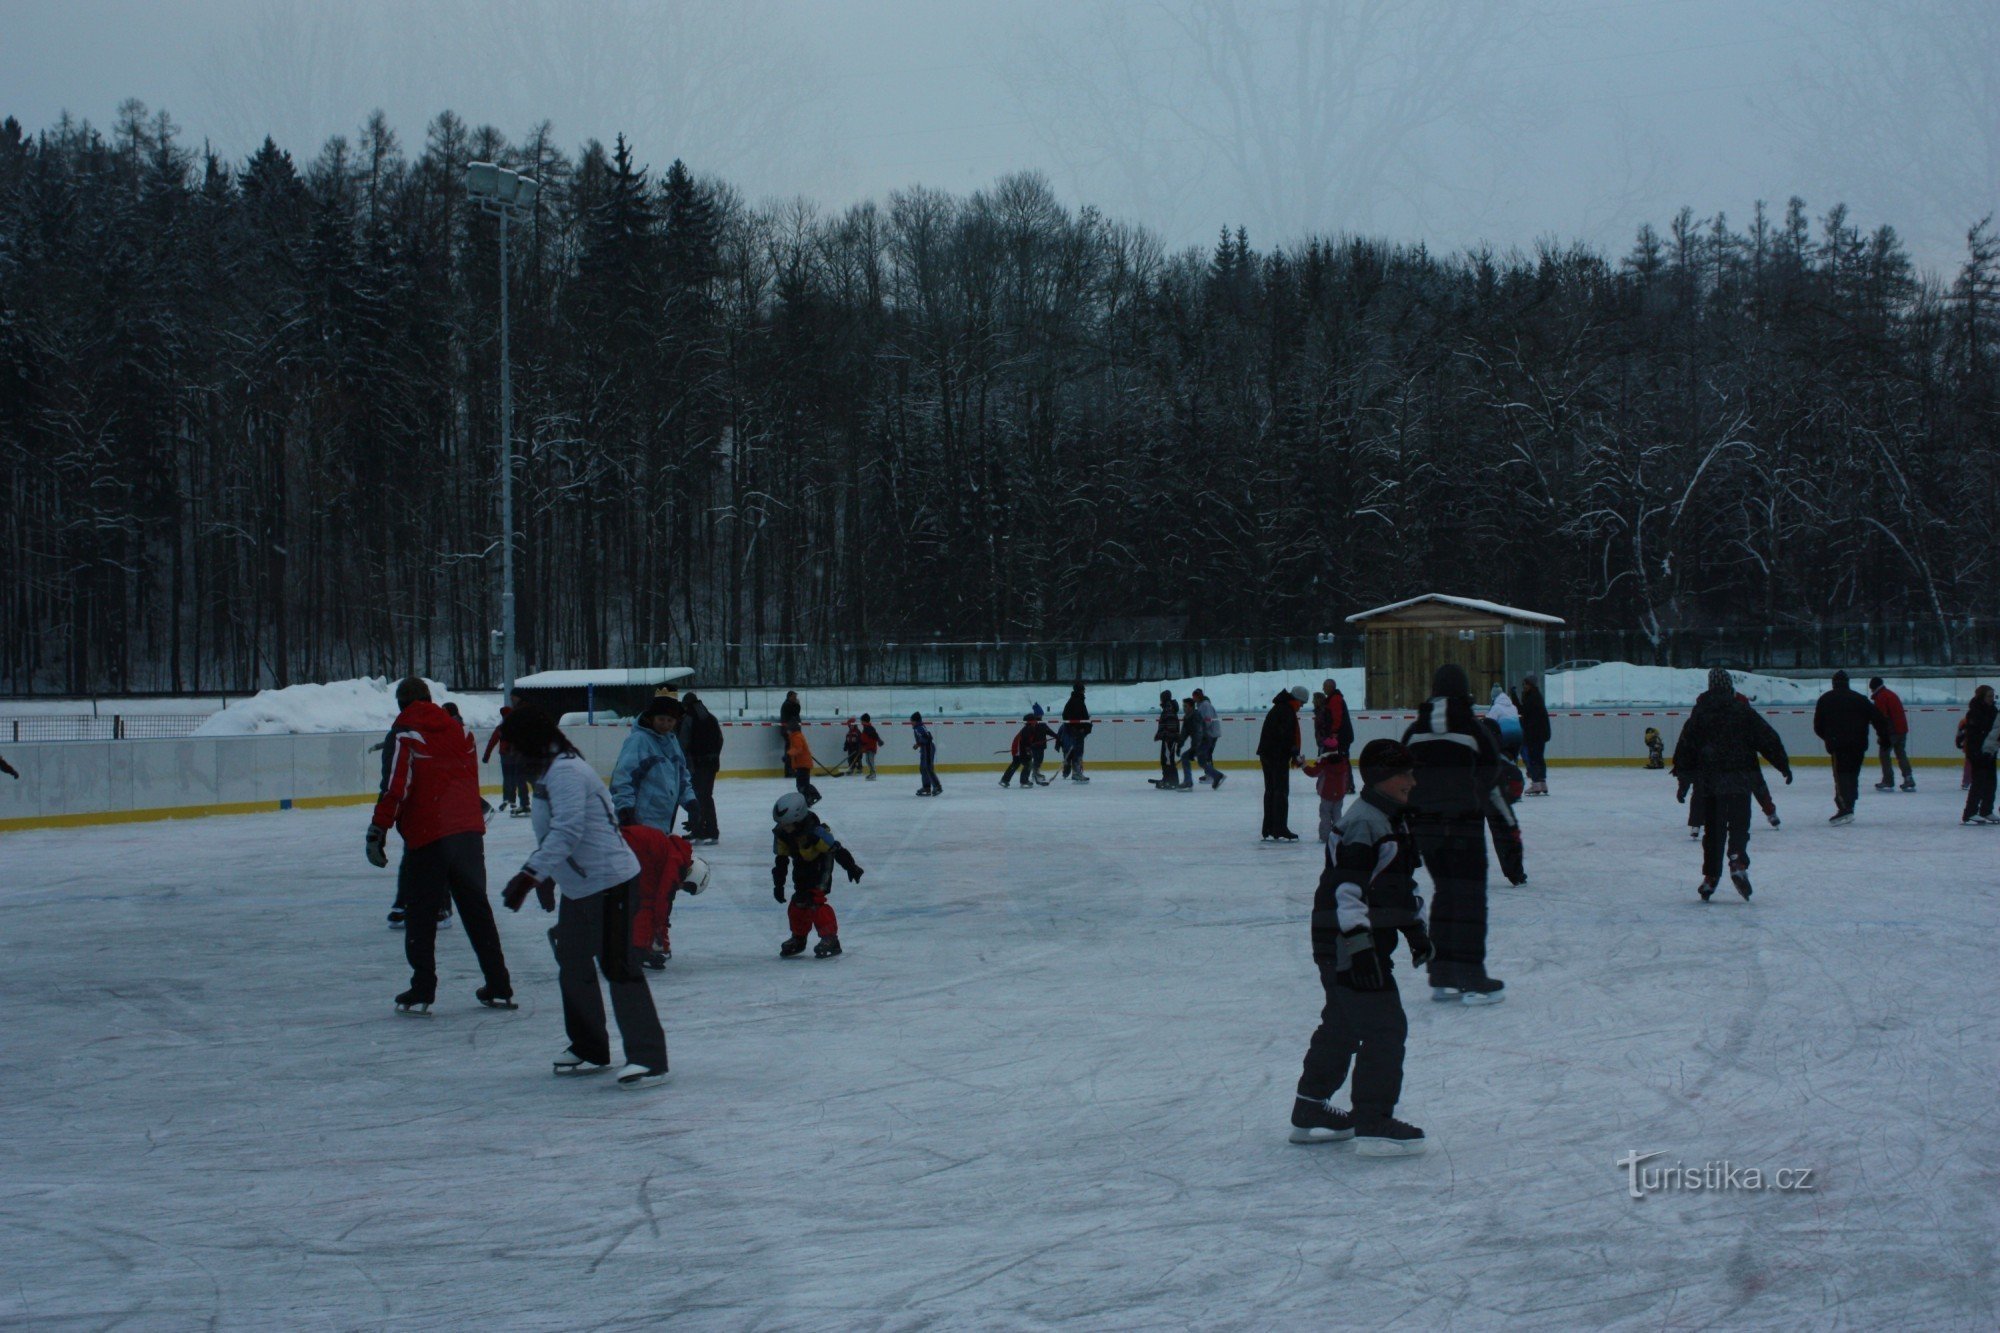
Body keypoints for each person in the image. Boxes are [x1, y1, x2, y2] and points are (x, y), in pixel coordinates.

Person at [495, 708, 667, 1088]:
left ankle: (649, 1058)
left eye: (514, 748)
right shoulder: (549, 770)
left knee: (619, 968)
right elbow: (556, 833)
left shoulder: (567, 772)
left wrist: (529, 875)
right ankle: (590, 1046)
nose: (513, 757)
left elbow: (568, 830)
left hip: (611, 883)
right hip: (582, 887)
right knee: (573, 964)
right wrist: (548, 877)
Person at [1288, 738, 1431, 1157]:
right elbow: (1347, 891)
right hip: (1345, 941)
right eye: (1404, 773)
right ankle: (1373, 1117)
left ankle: (1309, 1108)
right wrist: (1360, 947)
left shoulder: (1393, 819)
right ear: (1384, 778)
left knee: (1343, 1026)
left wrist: (1415, 931)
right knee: (1386, 1026)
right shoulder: (1364, 823)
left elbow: (1398, 886)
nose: (1412, 780)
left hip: (1353, 941)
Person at [365, 677, 513, 1015]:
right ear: (429, 699)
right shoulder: (461, 732)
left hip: (430, 836)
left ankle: (423, 987)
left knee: (420, 914)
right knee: (477, 911)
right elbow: (464, 781)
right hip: (468, 834)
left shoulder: (405, 733)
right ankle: (499, 983)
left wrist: (378, 829)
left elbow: (396, 787)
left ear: (401, 703)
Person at [1401, 664, 1503, 1004]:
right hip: (1464, 826)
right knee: (1470, 900)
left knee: (1445, 894)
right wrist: (1468, 795)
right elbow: (1492, 770)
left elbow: (1399, 775)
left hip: (1426, 829)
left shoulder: (1415, 730)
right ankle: (1472, 979)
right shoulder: (1472, 727)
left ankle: (1441, 975)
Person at [1674, 668, 1792, 900]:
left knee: (1713, 832)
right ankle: (1737, 860)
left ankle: (1710, 877)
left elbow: (1685, 747)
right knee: (1739, 825)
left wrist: (1683, 781)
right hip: (1739, 779)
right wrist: (1782, 764)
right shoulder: (1741, 710)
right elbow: (1767, 737)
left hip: (1710, 783)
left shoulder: (1700, 713)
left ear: (1710, 686)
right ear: (1729, 686)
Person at [771, 790, 865, 958]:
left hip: (821, 867)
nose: (783, 827)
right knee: (798, 902)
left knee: (815, 901)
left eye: (786, 824)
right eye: (781, 824)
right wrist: (778, 885)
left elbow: (836, 850)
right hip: (801, 867)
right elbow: (781, 861)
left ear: (798, 818)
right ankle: (799, 938)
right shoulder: (783, 834)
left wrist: (852, 867)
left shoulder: (815, 833)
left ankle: (830, 939)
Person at [610, 693, 698, 838]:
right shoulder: (639, 740)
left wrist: (691, 802)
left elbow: (681, 776)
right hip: (639, 819)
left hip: (663, 820)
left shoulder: (672, 741)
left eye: (670, 720)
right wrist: (625, 809)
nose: (665, 724)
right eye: (661, 719)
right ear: (652, 718)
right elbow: (623, 778)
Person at [624, 821, 709, 968]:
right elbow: (661, 903)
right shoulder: (674, 861)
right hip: (625, 846)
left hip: (624, 843)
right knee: (646, 903)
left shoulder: (673, 853)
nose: (682, 888)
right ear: (690, 874)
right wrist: (647, 948)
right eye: (688, 887)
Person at [1812, 671, 1886, 824]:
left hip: (1838, 745)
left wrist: (1829, 738)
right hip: (1858, 744)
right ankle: (1849, 804)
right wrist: (1884, 737)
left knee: (1841, 776)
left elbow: (1818, 726)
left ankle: (1845, 807)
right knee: (1852, 775)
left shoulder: (1825, 699)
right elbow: (1878, 718)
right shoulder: (1859, 699)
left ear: (1834, 683)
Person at [1257, 686, 1308, 840]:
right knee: (1280, 791)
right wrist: (1294, 753)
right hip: (1276, 755)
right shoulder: (1286, 711)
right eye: (1302, 703)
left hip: (1268, 753)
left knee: (1271, 790)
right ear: (1296, 699)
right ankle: (1279, 828)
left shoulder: (1280, 707)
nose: (1302, 707)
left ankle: (1269, 827)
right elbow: (1285, 735)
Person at [679, 691, 723, 844]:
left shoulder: (688, 718)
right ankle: (710, 830)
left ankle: (700, 831)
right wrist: (714, 756)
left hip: (696, 765)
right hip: (711, 764)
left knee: (697, 797)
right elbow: (720, 740)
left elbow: (683, 743)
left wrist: (682, 761)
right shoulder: (711, 717)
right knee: (706, 797)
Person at [482, 690, 532, 816]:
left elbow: (492, 742)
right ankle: (514, 800)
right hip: (512, 755)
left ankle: (513, 800)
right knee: (514, 778)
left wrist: (486, 756)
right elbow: (493, 741)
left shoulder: (505, 726)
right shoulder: (507, 726)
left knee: (512, 778)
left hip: (511, 755)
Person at [1959, 685, 1997, 824]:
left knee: (1991, 782)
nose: (1992, 698)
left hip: (1990, 750)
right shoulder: (1974, 712)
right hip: (1977, 751)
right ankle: (1970, 812)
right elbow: (1973, 735)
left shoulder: (1993, 710)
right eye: (1989, 696)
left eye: (1993, 696)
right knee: (1979, 782)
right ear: (1981, 697)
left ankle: (1986, 810)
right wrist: (1977, 752)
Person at [1869, 677, 1915, 792]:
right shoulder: (1890, 694)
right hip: (1901, 729)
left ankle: (1888, 780)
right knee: (1901, 754)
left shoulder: (1881, 697)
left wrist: (1882, 734)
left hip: (1891, 731)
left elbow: (1881, 717)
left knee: (1884, 755)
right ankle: (1908, 778)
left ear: (1873, 687)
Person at [1518, 674, 1551, 795]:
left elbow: (1524, 712)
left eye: (1525, 684)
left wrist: (1516, 699)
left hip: (1534, 734)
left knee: (1533, 758)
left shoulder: (1532, 698)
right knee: (1539, 758)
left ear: (1530, 685)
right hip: (1540, 733)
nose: (1524, 687)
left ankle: (1536, 783)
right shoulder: (1537, 696)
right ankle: (1542, 783)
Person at [1192, 688, 1225, 789]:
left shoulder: (1205, 705)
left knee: (1206, 753)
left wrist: (1201, 731)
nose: (1193, 698)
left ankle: (1211, 775)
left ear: (1199, 696)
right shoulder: (1201, 705)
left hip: (1211, 734)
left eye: (1195, 696)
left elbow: (1207, 720)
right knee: (1206, 753)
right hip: (1209, 733)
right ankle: (1210, 774)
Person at [783, 723, 822, 805]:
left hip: (803, 764)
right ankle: (811, 797)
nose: (787, 731)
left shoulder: (796, 737)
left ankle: (812, 797)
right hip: (802, 764)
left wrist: (789, 754)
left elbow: (798, 749)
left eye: (788, 730)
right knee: (802, 784)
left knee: (802, 785)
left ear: (792, 730)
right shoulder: (796, 736)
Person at [1060, 684, 1092, 781]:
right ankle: (1076, 773)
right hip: (1077, 732)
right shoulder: (1077, 701)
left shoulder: (1074, 700)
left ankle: (1073, 771)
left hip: (1075, 730)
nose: (1084, 691)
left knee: (1074, 752)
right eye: (1083, 690)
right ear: (1080, 690)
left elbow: (1066, 715)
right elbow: (1076, 717)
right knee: (1077, 752)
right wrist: (1079, 727)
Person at [1152, 689, 1181, 788]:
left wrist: (1164, 735)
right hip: (1168, 738)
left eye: (1161, 698)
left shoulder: (1168, 709)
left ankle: (1171, 781)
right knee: (1166, 759)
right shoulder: (1169, 708)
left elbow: (1171, 726)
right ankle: (1168, 779)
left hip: (1169, 739)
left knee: (1167, 760)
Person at [911, 711, 943, 796]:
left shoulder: (919, 728)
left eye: (912, 721)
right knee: (923, 768)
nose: (911, 723)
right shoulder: (918, 728)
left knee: (928, 768)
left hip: (928, 748)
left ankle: (937, 787)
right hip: (924, 749)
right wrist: (918, 744)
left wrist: (920, 744)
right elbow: (924, 738)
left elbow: (928, 737)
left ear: (916, 721)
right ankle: (926, 787)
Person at [859, 714, 883, 780]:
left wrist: (879, 741)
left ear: (864, 721)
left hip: (871, 747)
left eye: (861, 720)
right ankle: (871, 773)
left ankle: (873, 774)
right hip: (867, 747)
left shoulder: (869, 728)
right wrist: (862, 746)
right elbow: (864, 738)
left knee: (870, 760)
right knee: (867, 760)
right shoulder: (865, 728)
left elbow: (875, 735)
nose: (860, 722)